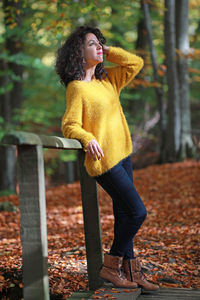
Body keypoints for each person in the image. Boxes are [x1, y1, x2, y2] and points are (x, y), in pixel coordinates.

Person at [56, 26, 159, 291]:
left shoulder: (108, 80)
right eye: (92, 44)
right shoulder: (77, 88)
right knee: (137, 212)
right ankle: (111, 268)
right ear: (78, 52)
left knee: (125, 214)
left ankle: (133, 271)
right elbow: (69, 125)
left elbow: (136, 63)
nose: (99, 46)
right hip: (104, 162)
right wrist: (88, 138)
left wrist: (108, 50)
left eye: (99, 43)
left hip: (123, 155)